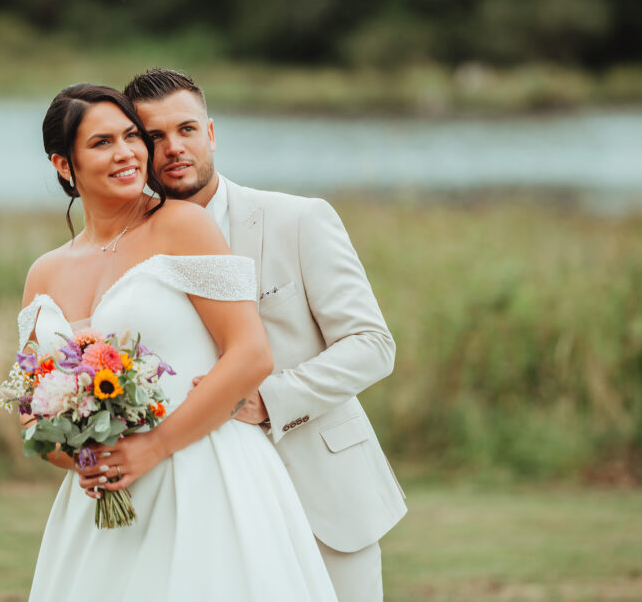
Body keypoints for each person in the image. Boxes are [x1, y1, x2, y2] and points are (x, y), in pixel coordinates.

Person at [89, 69, 408, 602]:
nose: (173, 148)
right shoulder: (126, 252)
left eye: (187, 129)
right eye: (153, 137)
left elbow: (373, 345)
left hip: (316, 487)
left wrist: (269, 399)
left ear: (211, 133)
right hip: (195, 502)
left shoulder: (297, 219)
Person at [18, 83, 338, 601]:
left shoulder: (182, 225)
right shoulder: (44, 273)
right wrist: (85, 459)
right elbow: (32, 408)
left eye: (130, 136)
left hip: (205, 475)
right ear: (63, 164)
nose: (126, 153)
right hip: (106, 495)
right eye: (101, 143)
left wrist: (154, 446)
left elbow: (251, 353)